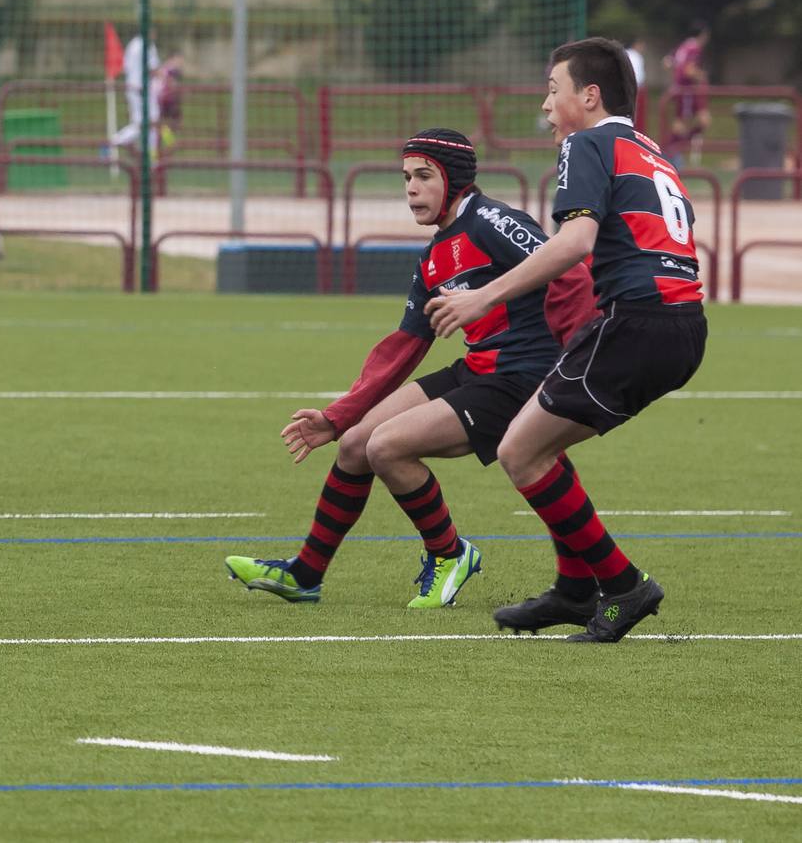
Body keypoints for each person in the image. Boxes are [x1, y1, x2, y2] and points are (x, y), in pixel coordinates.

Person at [224, 129, 596, 608]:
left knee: (387, 447)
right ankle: (305, 574)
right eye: (406, 178)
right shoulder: (432, 257)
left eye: (424, 176)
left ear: (454, 179)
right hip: (478, 369)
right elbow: (403, 346)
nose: (411, 189)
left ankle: (449, 555)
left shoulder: (494, 221)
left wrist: (577, 356)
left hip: (521, 378)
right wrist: (338, 417)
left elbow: (568, 268)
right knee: (358, 442)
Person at [426, 37, 707, 643]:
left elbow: (576, 244)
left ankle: (621, 584)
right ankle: (576, 589)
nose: (547, 106)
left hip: (639, 321)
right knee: (538, 438)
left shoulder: (587, 142)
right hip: (680, 323)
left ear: (590, 95)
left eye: (554, 91)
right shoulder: (648, 148)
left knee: (519, 451)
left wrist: (483, 296)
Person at [663, 21, 710, 166]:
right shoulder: (694, 47)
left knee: (699, 120)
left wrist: (675, 75)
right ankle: (669, 154)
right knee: (684, 123)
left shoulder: (683, 46)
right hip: (687, 90)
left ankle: (672, 152)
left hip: (680, 89)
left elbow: (666, 62)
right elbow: (688, 70)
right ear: (702, 35)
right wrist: (701, 75)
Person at [109, 31, 160, 149]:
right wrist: (165, 79)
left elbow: (125, 67)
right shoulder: (148, 46)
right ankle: (115, 142)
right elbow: (153, 68)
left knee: (144, 123)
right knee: (148, 122)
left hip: (131, 88)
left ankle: (148, 153)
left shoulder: (132, 45)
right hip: (142, 89)